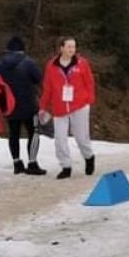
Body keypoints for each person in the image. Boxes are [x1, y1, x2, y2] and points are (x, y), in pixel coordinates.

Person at [44, 36, 96, 179]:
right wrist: (43, 106)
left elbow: (89, 82)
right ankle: (66, 166)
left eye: (73, 47)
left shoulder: (82, 63)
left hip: (79, 105)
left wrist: (89, 98)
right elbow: (48, 88)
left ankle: (89, 157)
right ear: (61, 48)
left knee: (81, 137)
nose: (72, 50)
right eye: (69, 47)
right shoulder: (51, 65)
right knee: (60, 139)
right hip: (59, 107)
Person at [0, 35, 47, 175]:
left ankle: (17, 162)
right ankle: (32, 162)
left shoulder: (1, 64)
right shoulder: (29, 62)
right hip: (28, 104)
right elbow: (39, 78)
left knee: (13, 133)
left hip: (9, 103)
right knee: (34, 132)